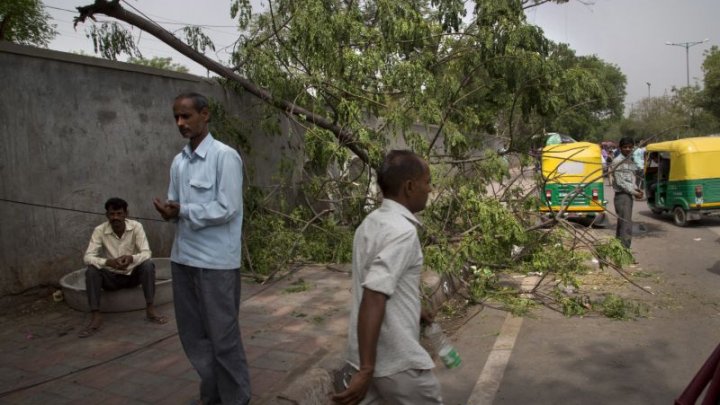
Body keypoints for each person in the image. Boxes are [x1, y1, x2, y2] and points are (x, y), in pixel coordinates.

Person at [153, 92, 250, 405]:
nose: (181, 123)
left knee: (222, 338)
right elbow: (175, 204)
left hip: (217, 264)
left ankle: (237, 398)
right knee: (194, 338)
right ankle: (213, 394)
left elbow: (228, 207)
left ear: (205, 115)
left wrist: (181, 211)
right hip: (183, 260)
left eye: (186, 116)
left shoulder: (225, 157)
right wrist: (170, 211)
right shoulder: (178, 162)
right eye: (176, 118)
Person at [333, 150, 443, 405]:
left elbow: (380, 282)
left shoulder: (370, 224)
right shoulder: (403, 232)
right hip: (396, 362)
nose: (429, 189)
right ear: (409, 186)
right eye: (427, 182)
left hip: (364, 354)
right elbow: (373, 295)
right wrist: (367, 369)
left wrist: (414, 309)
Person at [80, 197, 166, 338]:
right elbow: (87, 257)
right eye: (112, 214)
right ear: (107, 215)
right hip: (111, 277)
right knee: (91, 271)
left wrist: (132, 258)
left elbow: (147, 252)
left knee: (148, 265)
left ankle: (150, 308)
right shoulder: (99, 230)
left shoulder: (136, 226)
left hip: (132, 275)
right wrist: (108, 262)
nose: (116, 218)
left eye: (119, 213)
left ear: (126, 214)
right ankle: (96, 314)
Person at [612, 137, 643, 250]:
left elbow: (631, 178)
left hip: (628, 196)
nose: (628, 149)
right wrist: (634, 192)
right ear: (620, 148)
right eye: (625, 147)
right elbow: (621, 183)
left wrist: (637, 189)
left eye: (630, 147)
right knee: (626, 226)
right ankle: (625, 252)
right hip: (622, 196)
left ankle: (619, 251)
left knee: (623, 224)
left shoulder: (630, 160)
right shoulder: (617, 161)